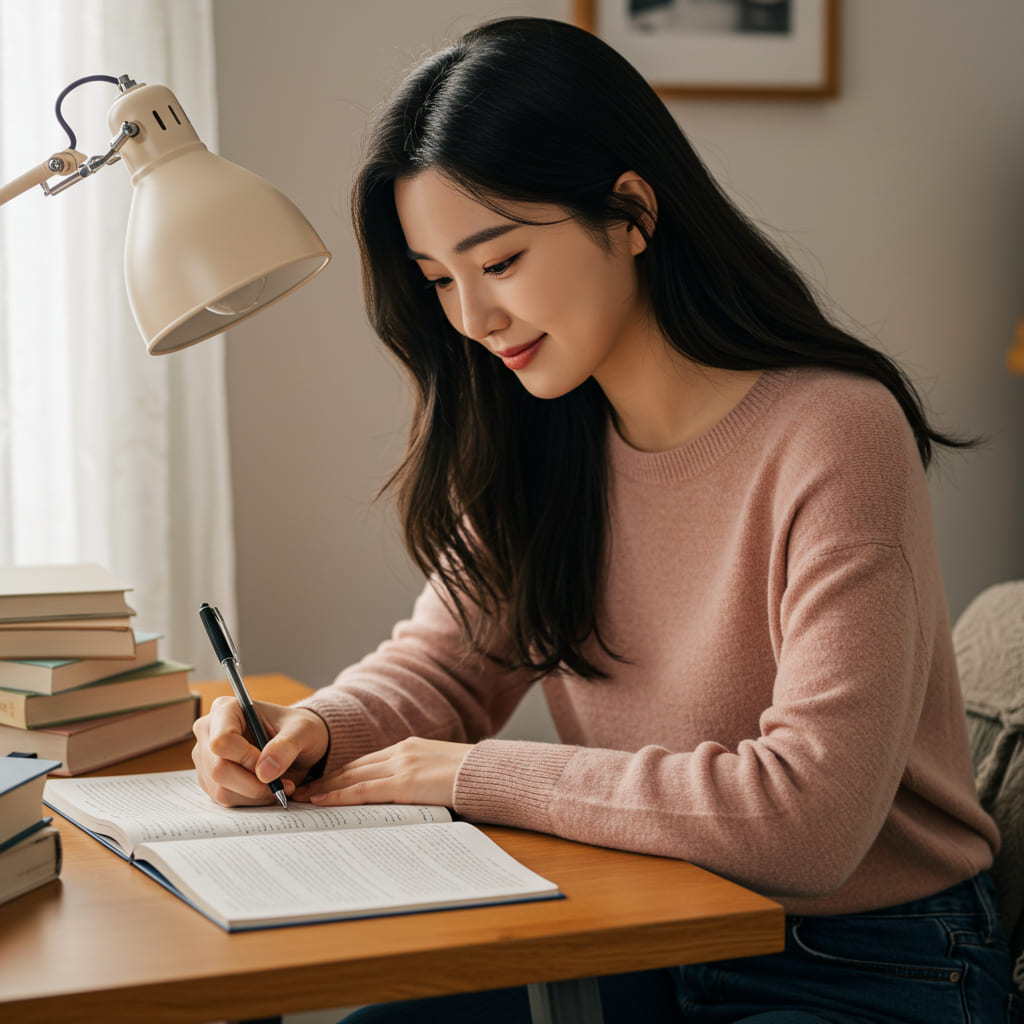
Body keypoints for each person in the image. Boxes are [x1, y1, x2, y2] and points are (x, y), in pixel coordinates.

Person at [192, 16, 1019, 1024]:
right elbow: (449, 665)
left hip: (867, 959)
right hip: (638, 928)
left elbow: (809, 820)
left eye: (497, 262)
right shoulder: (543, 433)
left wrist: (470, 776)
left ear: (627, 212)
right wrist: (314, 729)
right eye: (439, 280)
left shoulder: (834, 431)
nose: (471, 319)